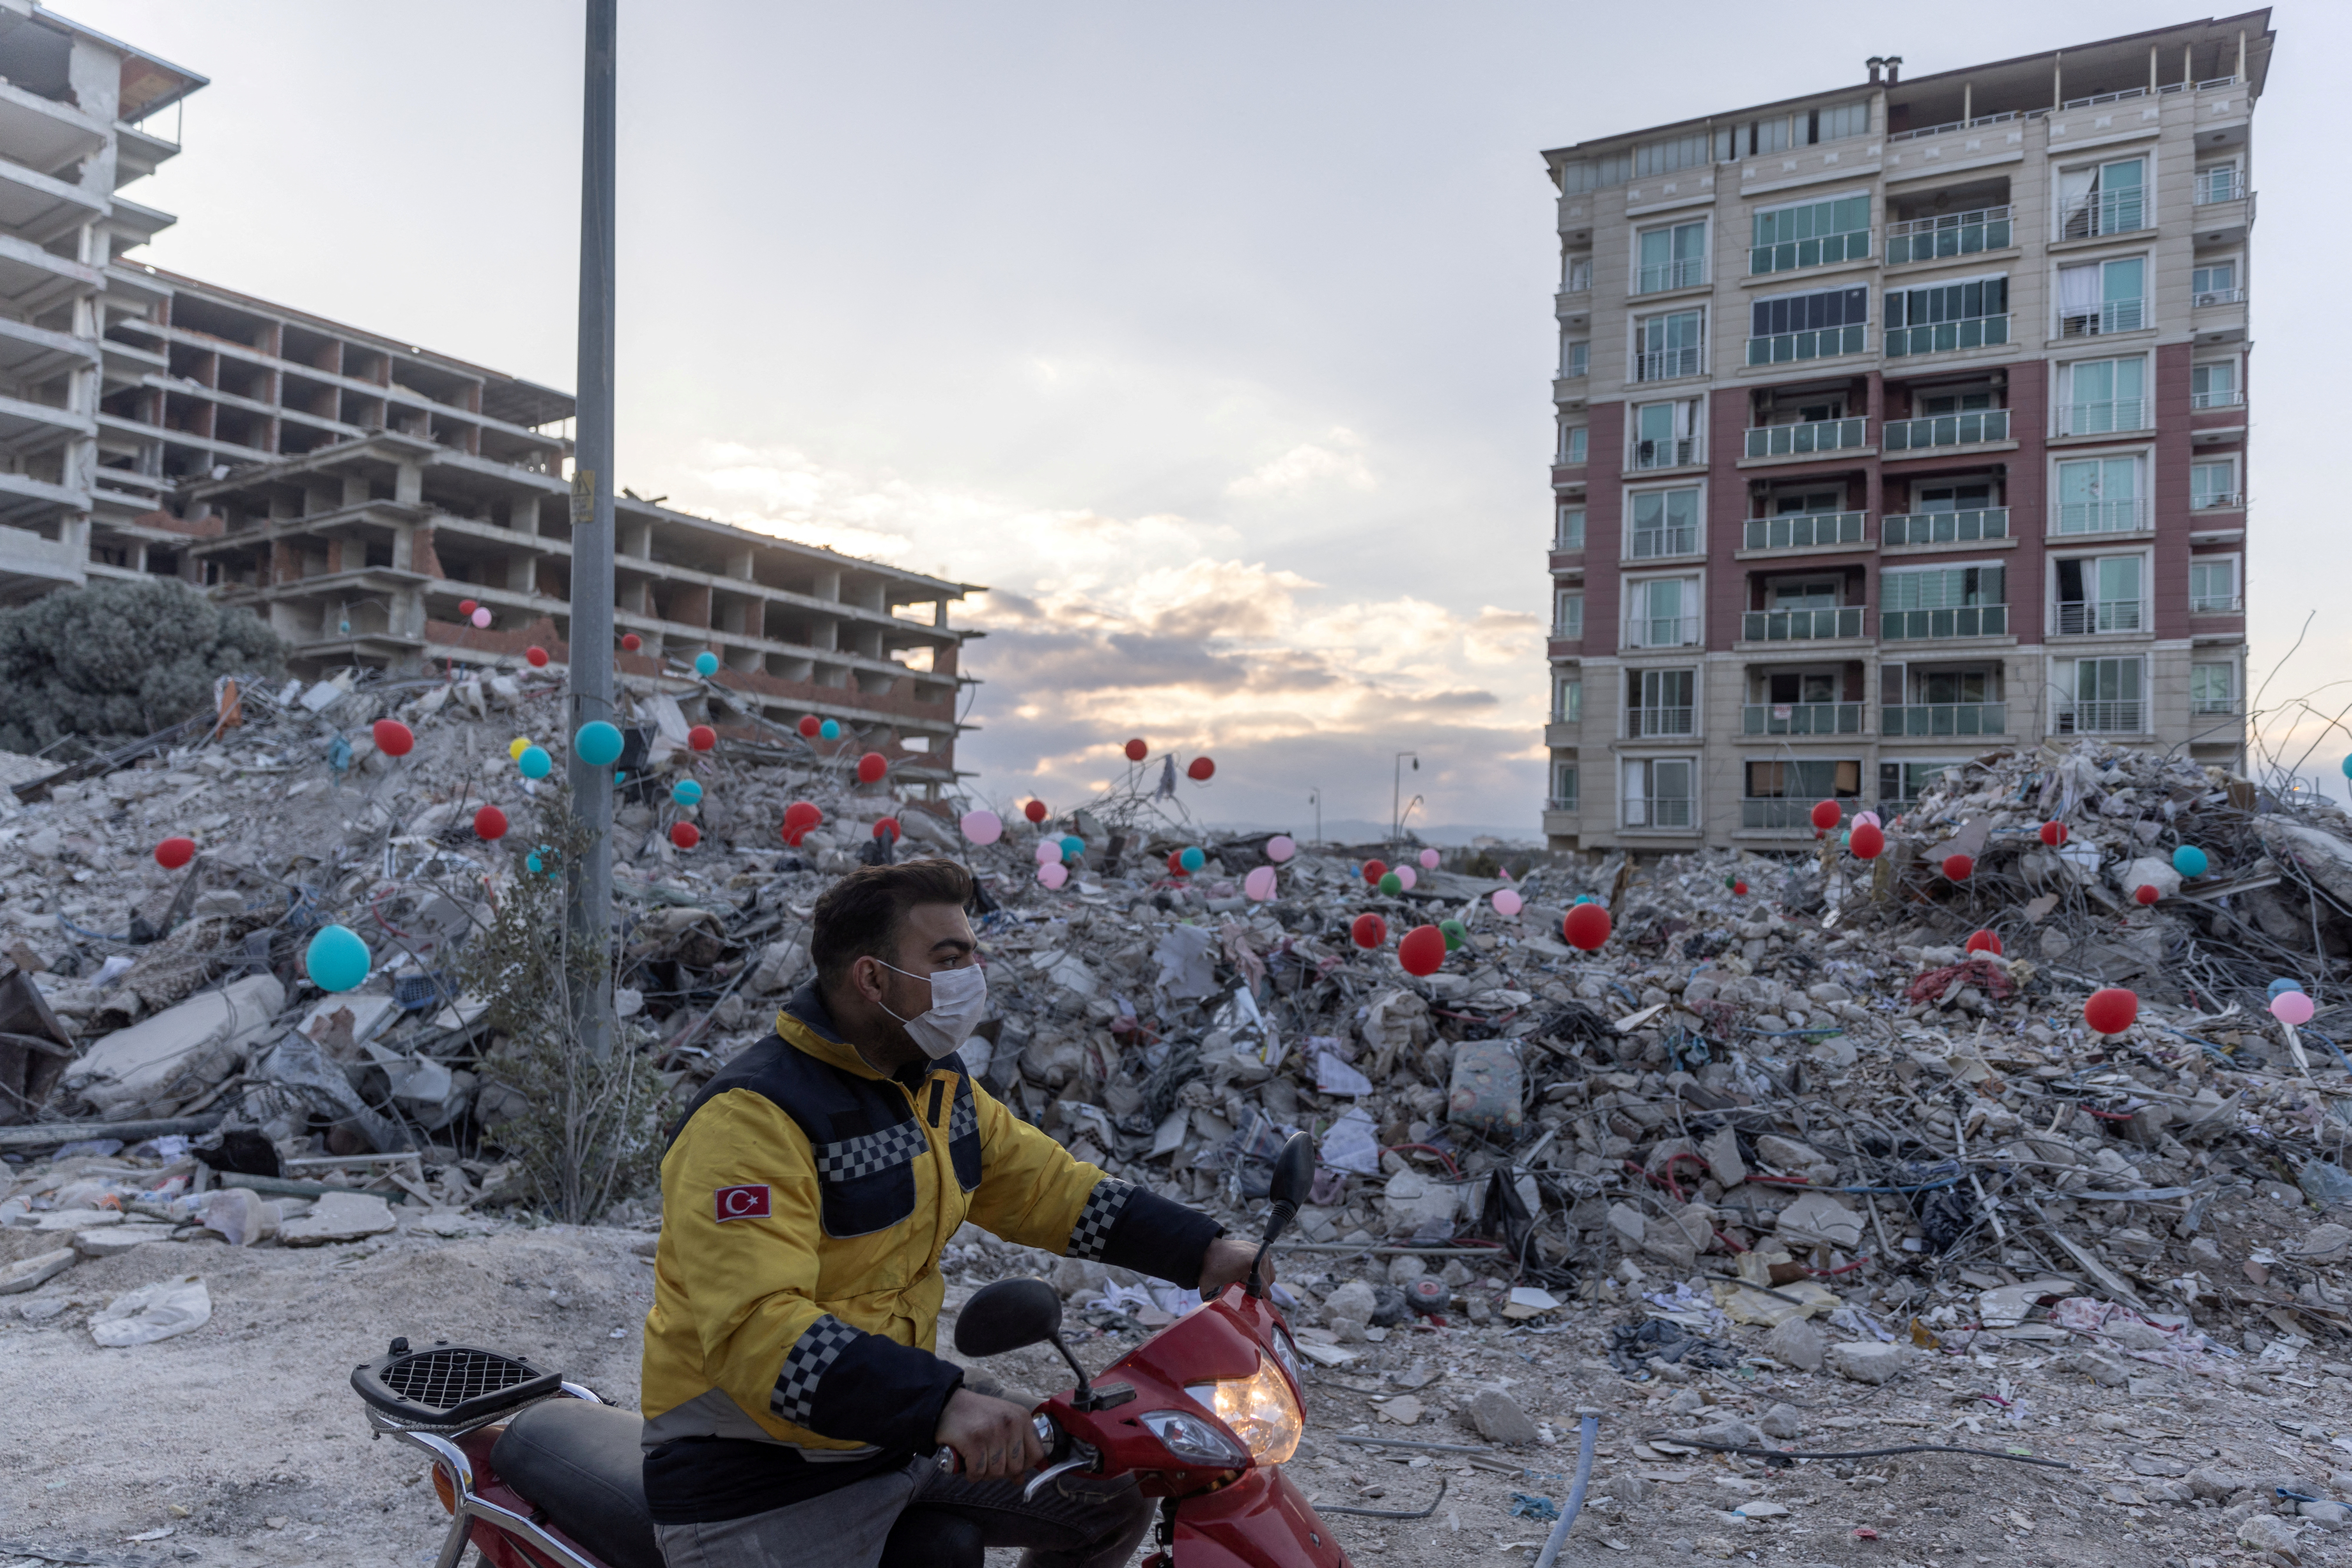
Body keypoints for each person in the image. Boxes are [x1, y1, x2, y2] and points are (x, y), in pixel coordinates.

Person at [640, 857, 1269, 1568]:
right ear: (873, 979)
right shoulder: (752, 1120)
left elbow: (1050, 1188)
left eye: (972, 952)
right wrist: (941, 1403)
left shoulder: (932, 1086)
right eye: (949, 958)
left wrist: (1205, 1250)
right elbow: (760, 1334)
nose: (974, 974)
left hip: (892, 1436)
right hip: (759, 1477)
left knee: (1117, 1482)